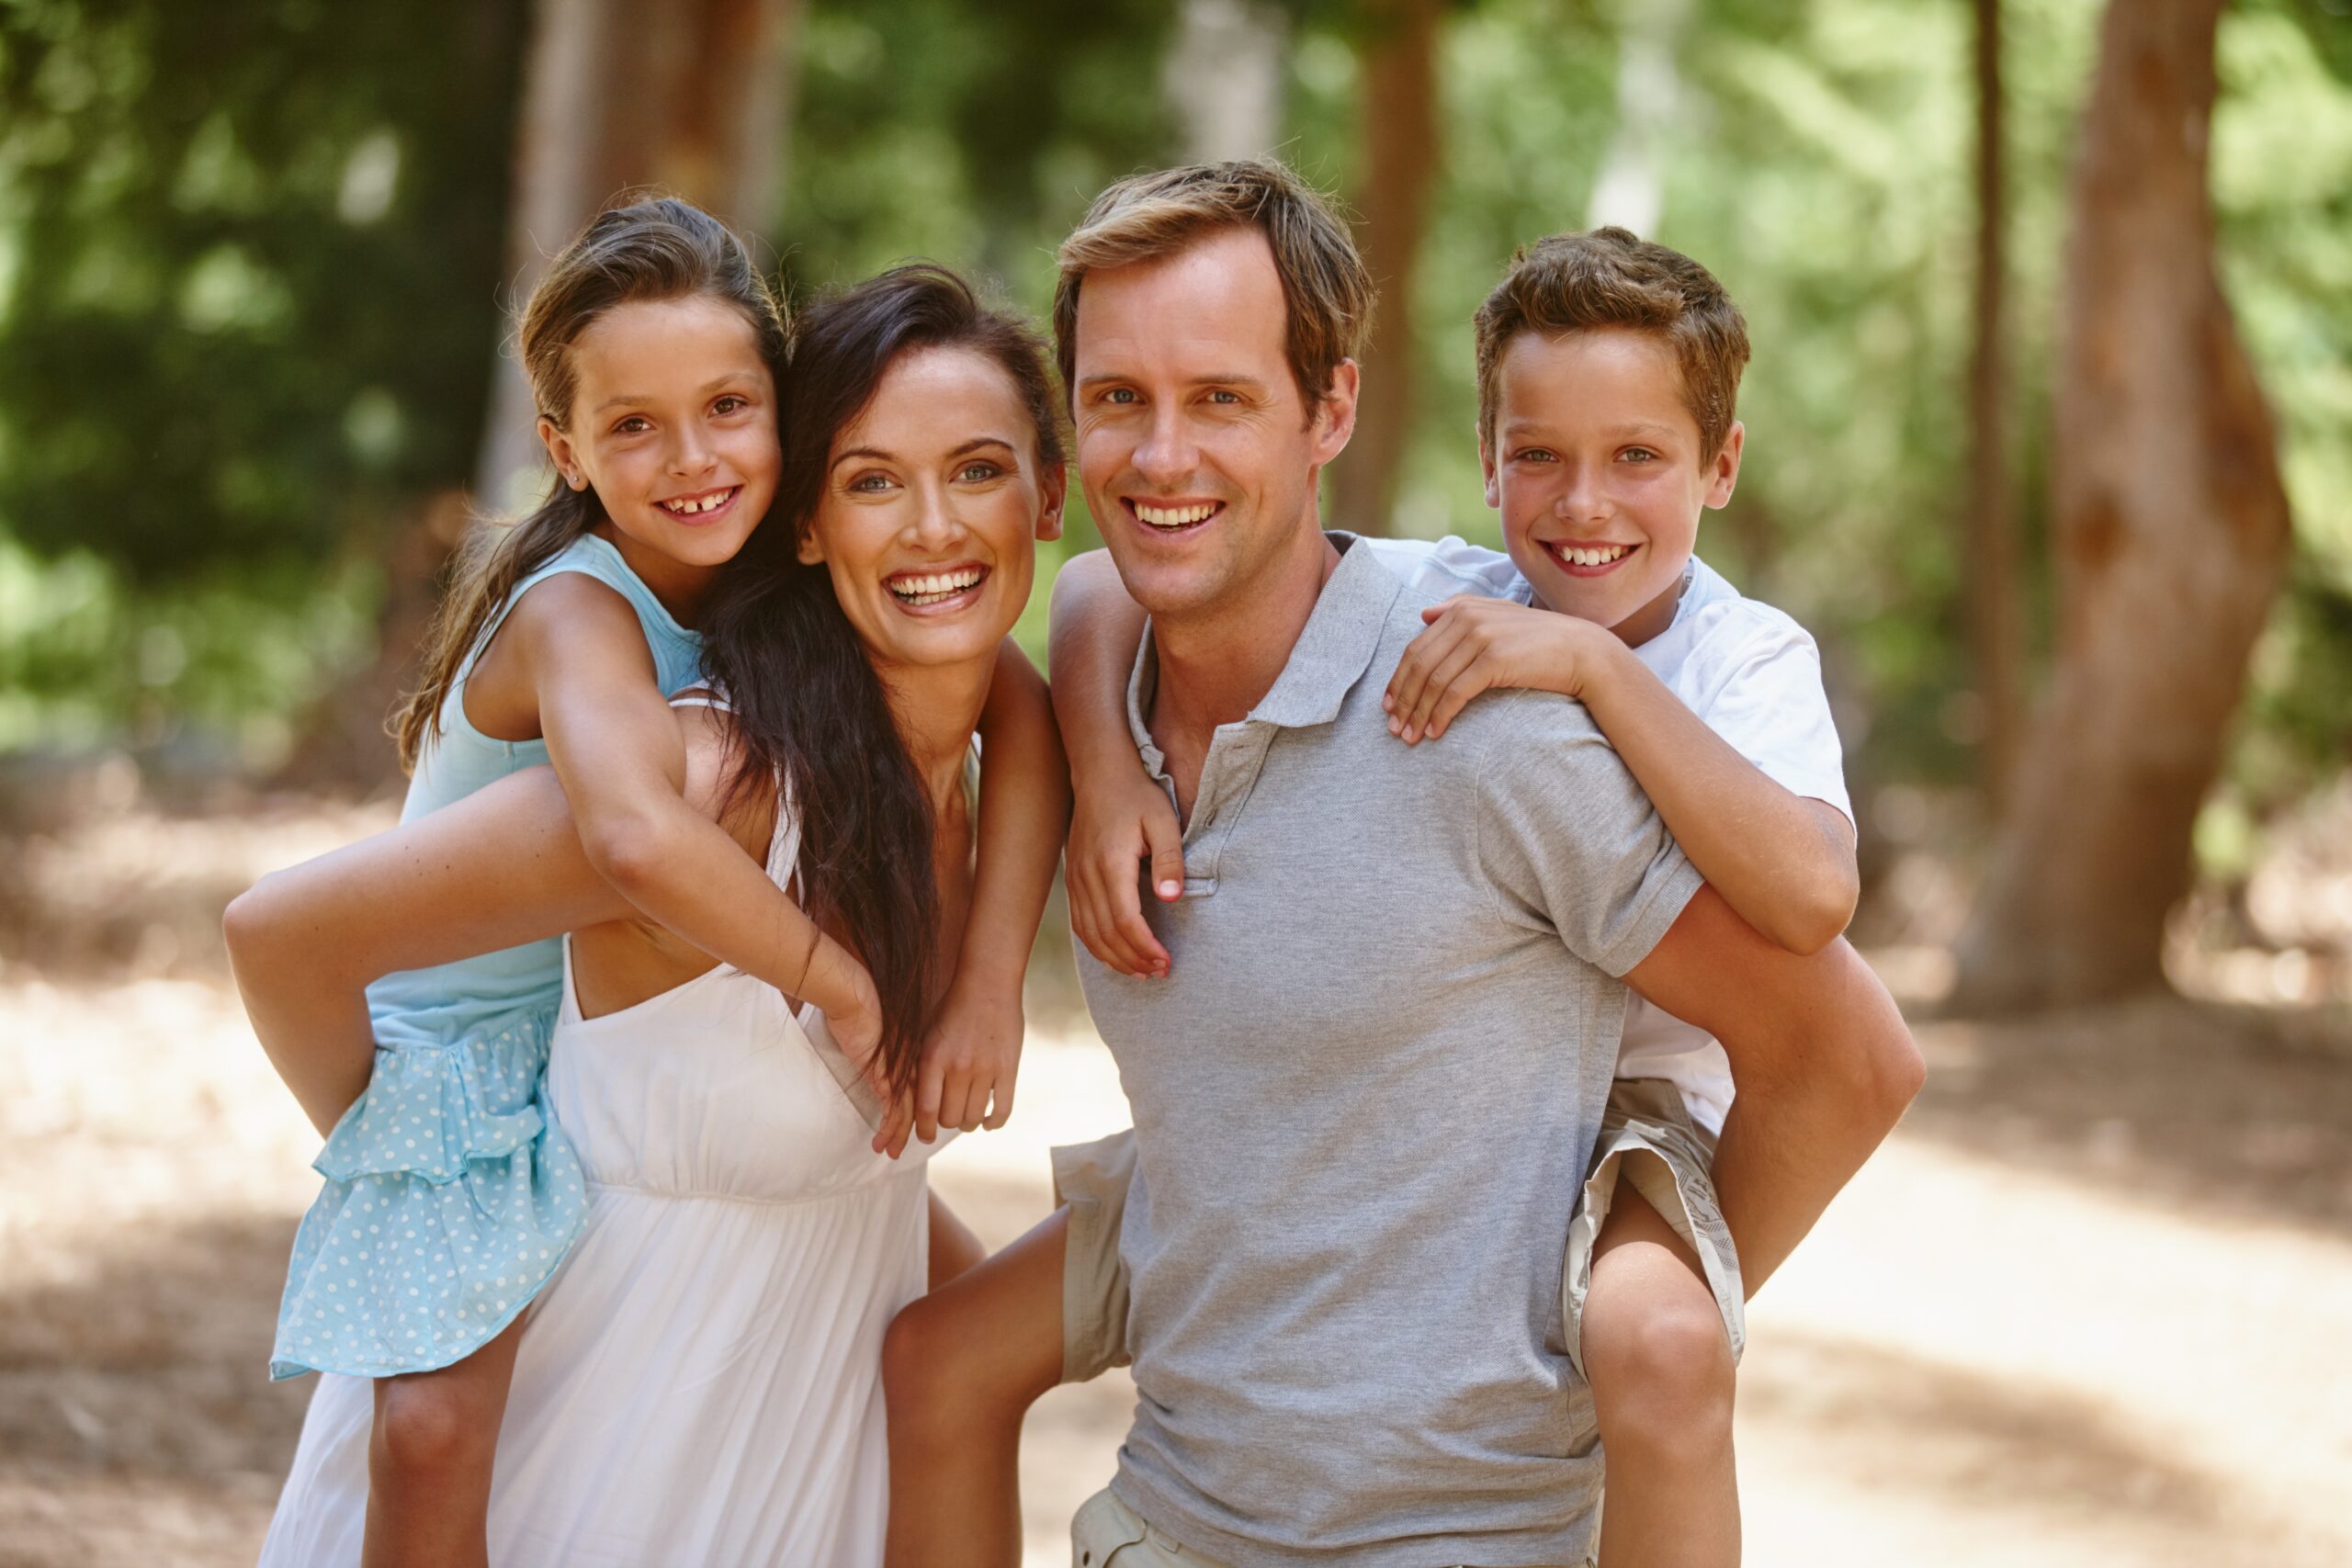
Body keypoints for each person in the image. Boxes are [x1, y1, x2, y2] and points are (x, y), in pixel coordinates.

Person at [883, 159, 1922, 1568]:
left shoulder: (1485, 711)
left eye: (1224, 398)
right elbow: (1087, 592)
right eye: (1121, 397)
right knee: (932, 1358)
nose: (1161, 454)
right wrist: (1103, 762)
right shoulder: (1085, 685)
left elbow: (1849, 1047)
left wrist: (1629, 1319)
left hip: (1457, 1529)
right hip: (1166, 1518)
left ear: (1333, 410)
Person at [229, 262, 1069, 1566]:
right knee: (435, 1433)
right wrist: (400, 1138)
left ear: (1047, 497)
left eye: (976, 472)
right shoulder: (674, 725)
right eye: (870, 480)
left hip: (780, 1414)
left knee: (962, 1316)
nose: (932, 529)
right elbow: (287, 929)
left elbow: (1029, 703)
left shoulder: (955, 720)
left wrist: (989, 985)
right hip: (490, 1133)